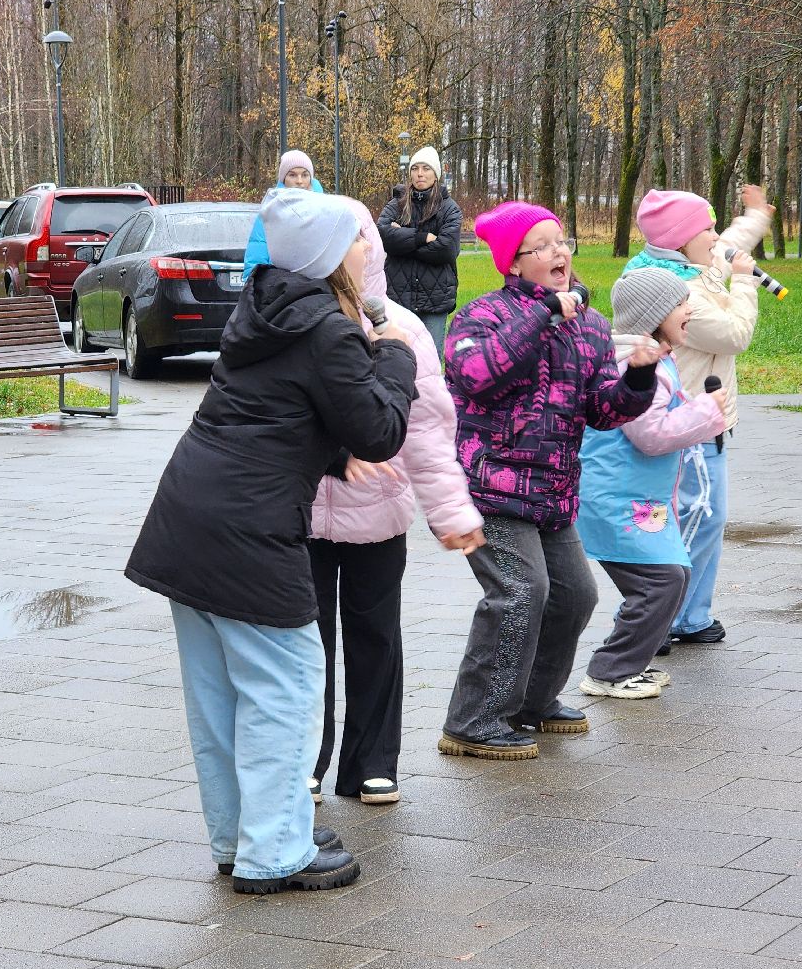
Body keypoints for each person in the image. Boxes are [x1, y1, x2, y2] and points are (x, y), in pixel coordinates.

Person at [125, 188, 417, 894]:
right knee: (286, 686)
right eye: (355, 237)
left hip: (187, 520)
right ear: (328, 256)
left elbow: (272, 411)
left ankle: (241, 835)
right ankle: (276, 850)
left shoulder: (264, 306)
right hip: (247, 532)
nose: (365, 246)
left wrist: (328, 453)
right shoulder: (329, 329)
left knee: (220, 694)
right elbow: (380, 429)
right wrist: (398, 360)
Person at [438, 201, 659, 760]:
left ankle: (531, 703)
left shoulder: (591, 326)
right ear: (513, 263)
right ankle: (473, 721)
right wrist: (543, 316)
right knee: (520, 592)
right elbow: (476, 373)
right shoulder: (480, 316)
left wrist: (639, 376)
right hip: (489, 486)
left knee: (575, 596)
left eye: (563, 242)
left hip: (552, 492)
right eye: (544, 246)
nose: (560, 253)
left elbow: (604, 411)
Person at [309, 197, 485, 806]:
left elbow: (430, 438)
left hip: (378, 514)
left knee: (375, 635)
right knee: (305, 639)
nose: (352, 254)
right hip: (299, 513)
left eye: (360, 242)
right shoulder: (299, 319)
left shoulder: (404, 329)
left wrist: (451, 513)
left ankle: (371, 762)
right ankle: (306, 755)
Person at [624, 184, 772, 651]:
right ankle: (658, 617)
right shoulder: (678, 288)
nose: (713, 236)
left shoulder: (692, 262)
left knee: (707, 518)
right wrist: (746, 282)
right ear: (678, 239)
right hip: (687, 423)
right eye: (703, 228)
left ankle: (692, 615)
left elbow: (730, 242)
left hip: (706, 421)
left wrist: (754, 216)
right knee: (692, 518)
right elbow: (733, 335)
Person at [576, 268, 727, 699]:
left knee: (670, 575)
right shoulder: (637, 366)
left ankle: (624, 665)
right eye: (681, 303)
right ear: (656, 314)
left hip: (640, 499)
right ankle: (609, 671)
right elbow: (651, 435)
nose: (690, 309)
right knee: (660, 581)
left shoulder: (656, 360)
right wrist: (706, 412)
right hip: (614, 498)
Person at [377, 146, 463, 348]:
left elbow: (447, 249)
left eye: (426, 168)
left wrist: (402, 243)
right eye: (415, 168)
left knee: (431, 360)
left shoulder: (449, 208)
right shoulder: (397, 204)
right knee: (398, 357)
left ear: (436, 175)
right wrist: (421, 238)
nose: (420, 174)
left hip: (435, 298)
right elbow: (382, 235)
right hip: (398, 296)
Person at [243, 150, 324, 280]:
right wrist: (254, 283)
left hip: (318, 286)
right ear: (284, 179)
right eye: (292, 175)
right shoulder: (270, 211)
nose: (299, 181)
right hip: (281, 287)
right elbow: (258, 249)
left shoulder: (325, 209)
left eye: (304, 175)